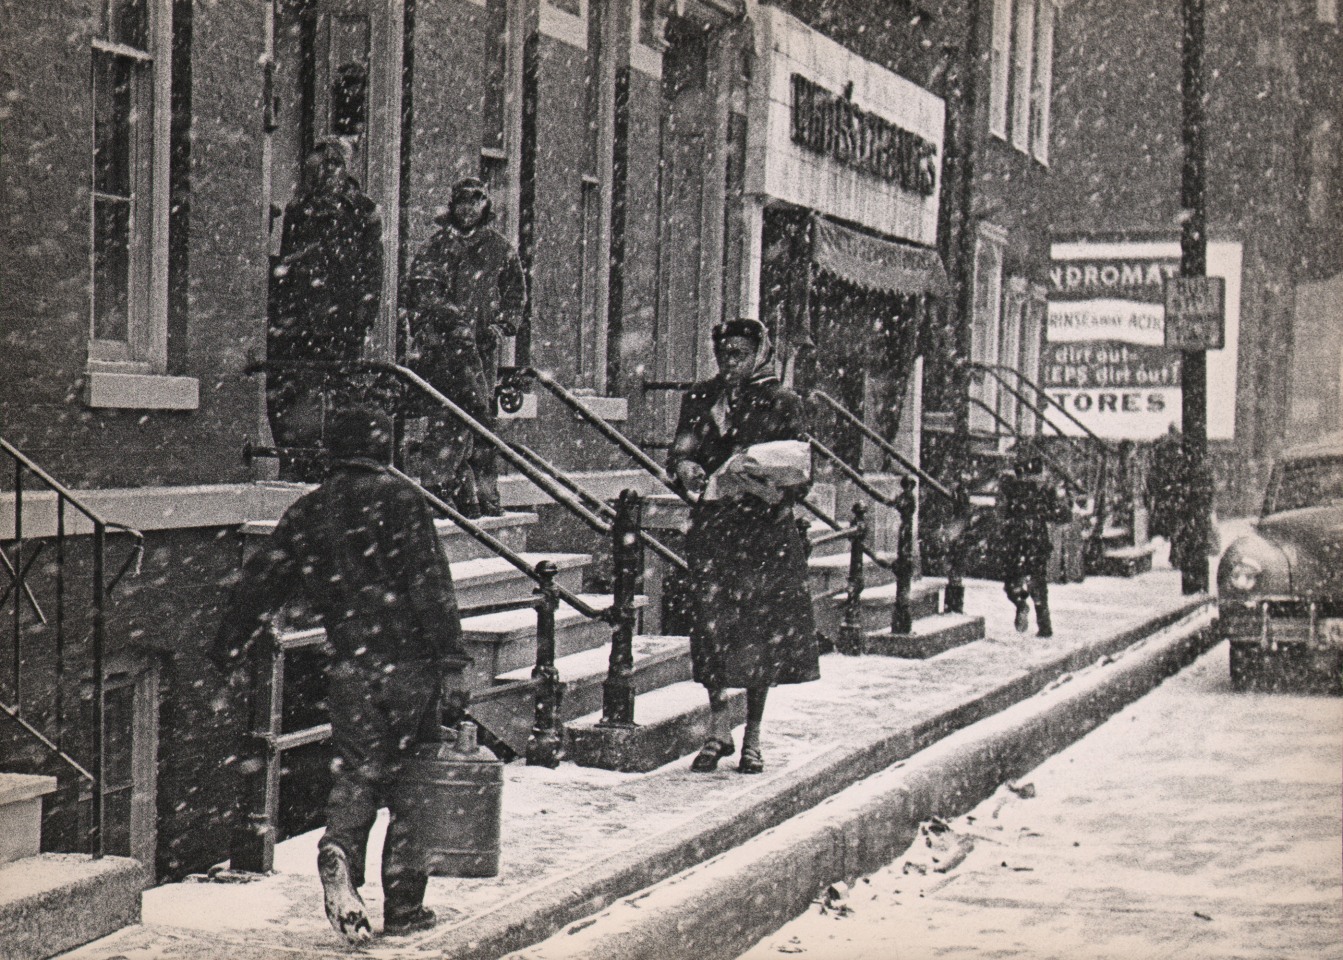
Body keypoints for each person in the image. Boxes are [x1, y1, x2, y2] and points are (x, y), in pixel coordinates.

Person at [212, 407, 469, 942]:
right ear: (385, 449)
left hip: (350, 664)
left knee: (359, 771)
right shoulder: (402, 501)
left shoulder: (309, 511)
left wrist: (227, 650)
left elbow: (262, 583)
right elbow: (429, 585)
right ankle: (404, 907)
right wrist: (451, 662)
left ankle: (338, 849)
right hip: (410, 665)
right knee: (412, 786)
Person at [668, 318, 819, 775]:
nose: (730, 363)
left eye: (739, 354)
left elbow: (801, 470)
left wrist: (767, 482)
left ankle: (752, 734)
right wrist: (686, 466)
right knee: (711, 627)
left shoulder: (782, 402)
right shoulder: (700, 398)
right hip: (716, 529)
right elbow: (681, 450)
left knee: (758, 633)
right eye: (724, 354)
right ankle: (718, 727)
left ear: (759, 353)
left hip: (764, 534)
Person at [406, 177, 526, 517]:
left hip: (482, 351)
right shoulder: (436, 247)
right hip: (444, 351)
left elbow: (515, 293)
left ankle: (483, 495)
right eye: (462, 202)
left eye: (475, 202)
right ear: (453, 205)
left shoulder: (499, 248)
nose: (468, 209)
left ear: (485, 205)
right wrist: (440, 323)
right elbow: (420, 292)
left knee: (480, 416)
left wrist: (500, 327)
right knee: (446, 415)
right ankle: (445, 491)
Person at [267, 138, 384, 482]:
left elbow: (372, 267)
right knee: (297, 389)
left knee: (340, 390)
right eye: (321, 163)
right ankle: (299, 461)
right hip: (300, 316)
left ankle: (335, 464)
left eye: (335, 163)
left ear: (347, 168)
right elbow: (286, 260)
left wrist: (362, 314)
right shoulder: (299, 208)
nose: (327, 170)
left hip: (342, 317)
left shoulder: (363, 210)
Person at [999, 447, 1070, 637]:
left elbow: (1002, 514)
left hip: (1016, 541)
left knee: (1012, 582)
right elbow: (1062, 515)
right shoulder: (1042, 493)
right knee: (1038, 585)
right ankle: (1044, 624)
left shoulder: (1013, 490)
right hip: (1035, 542)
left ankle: (1021, 603)